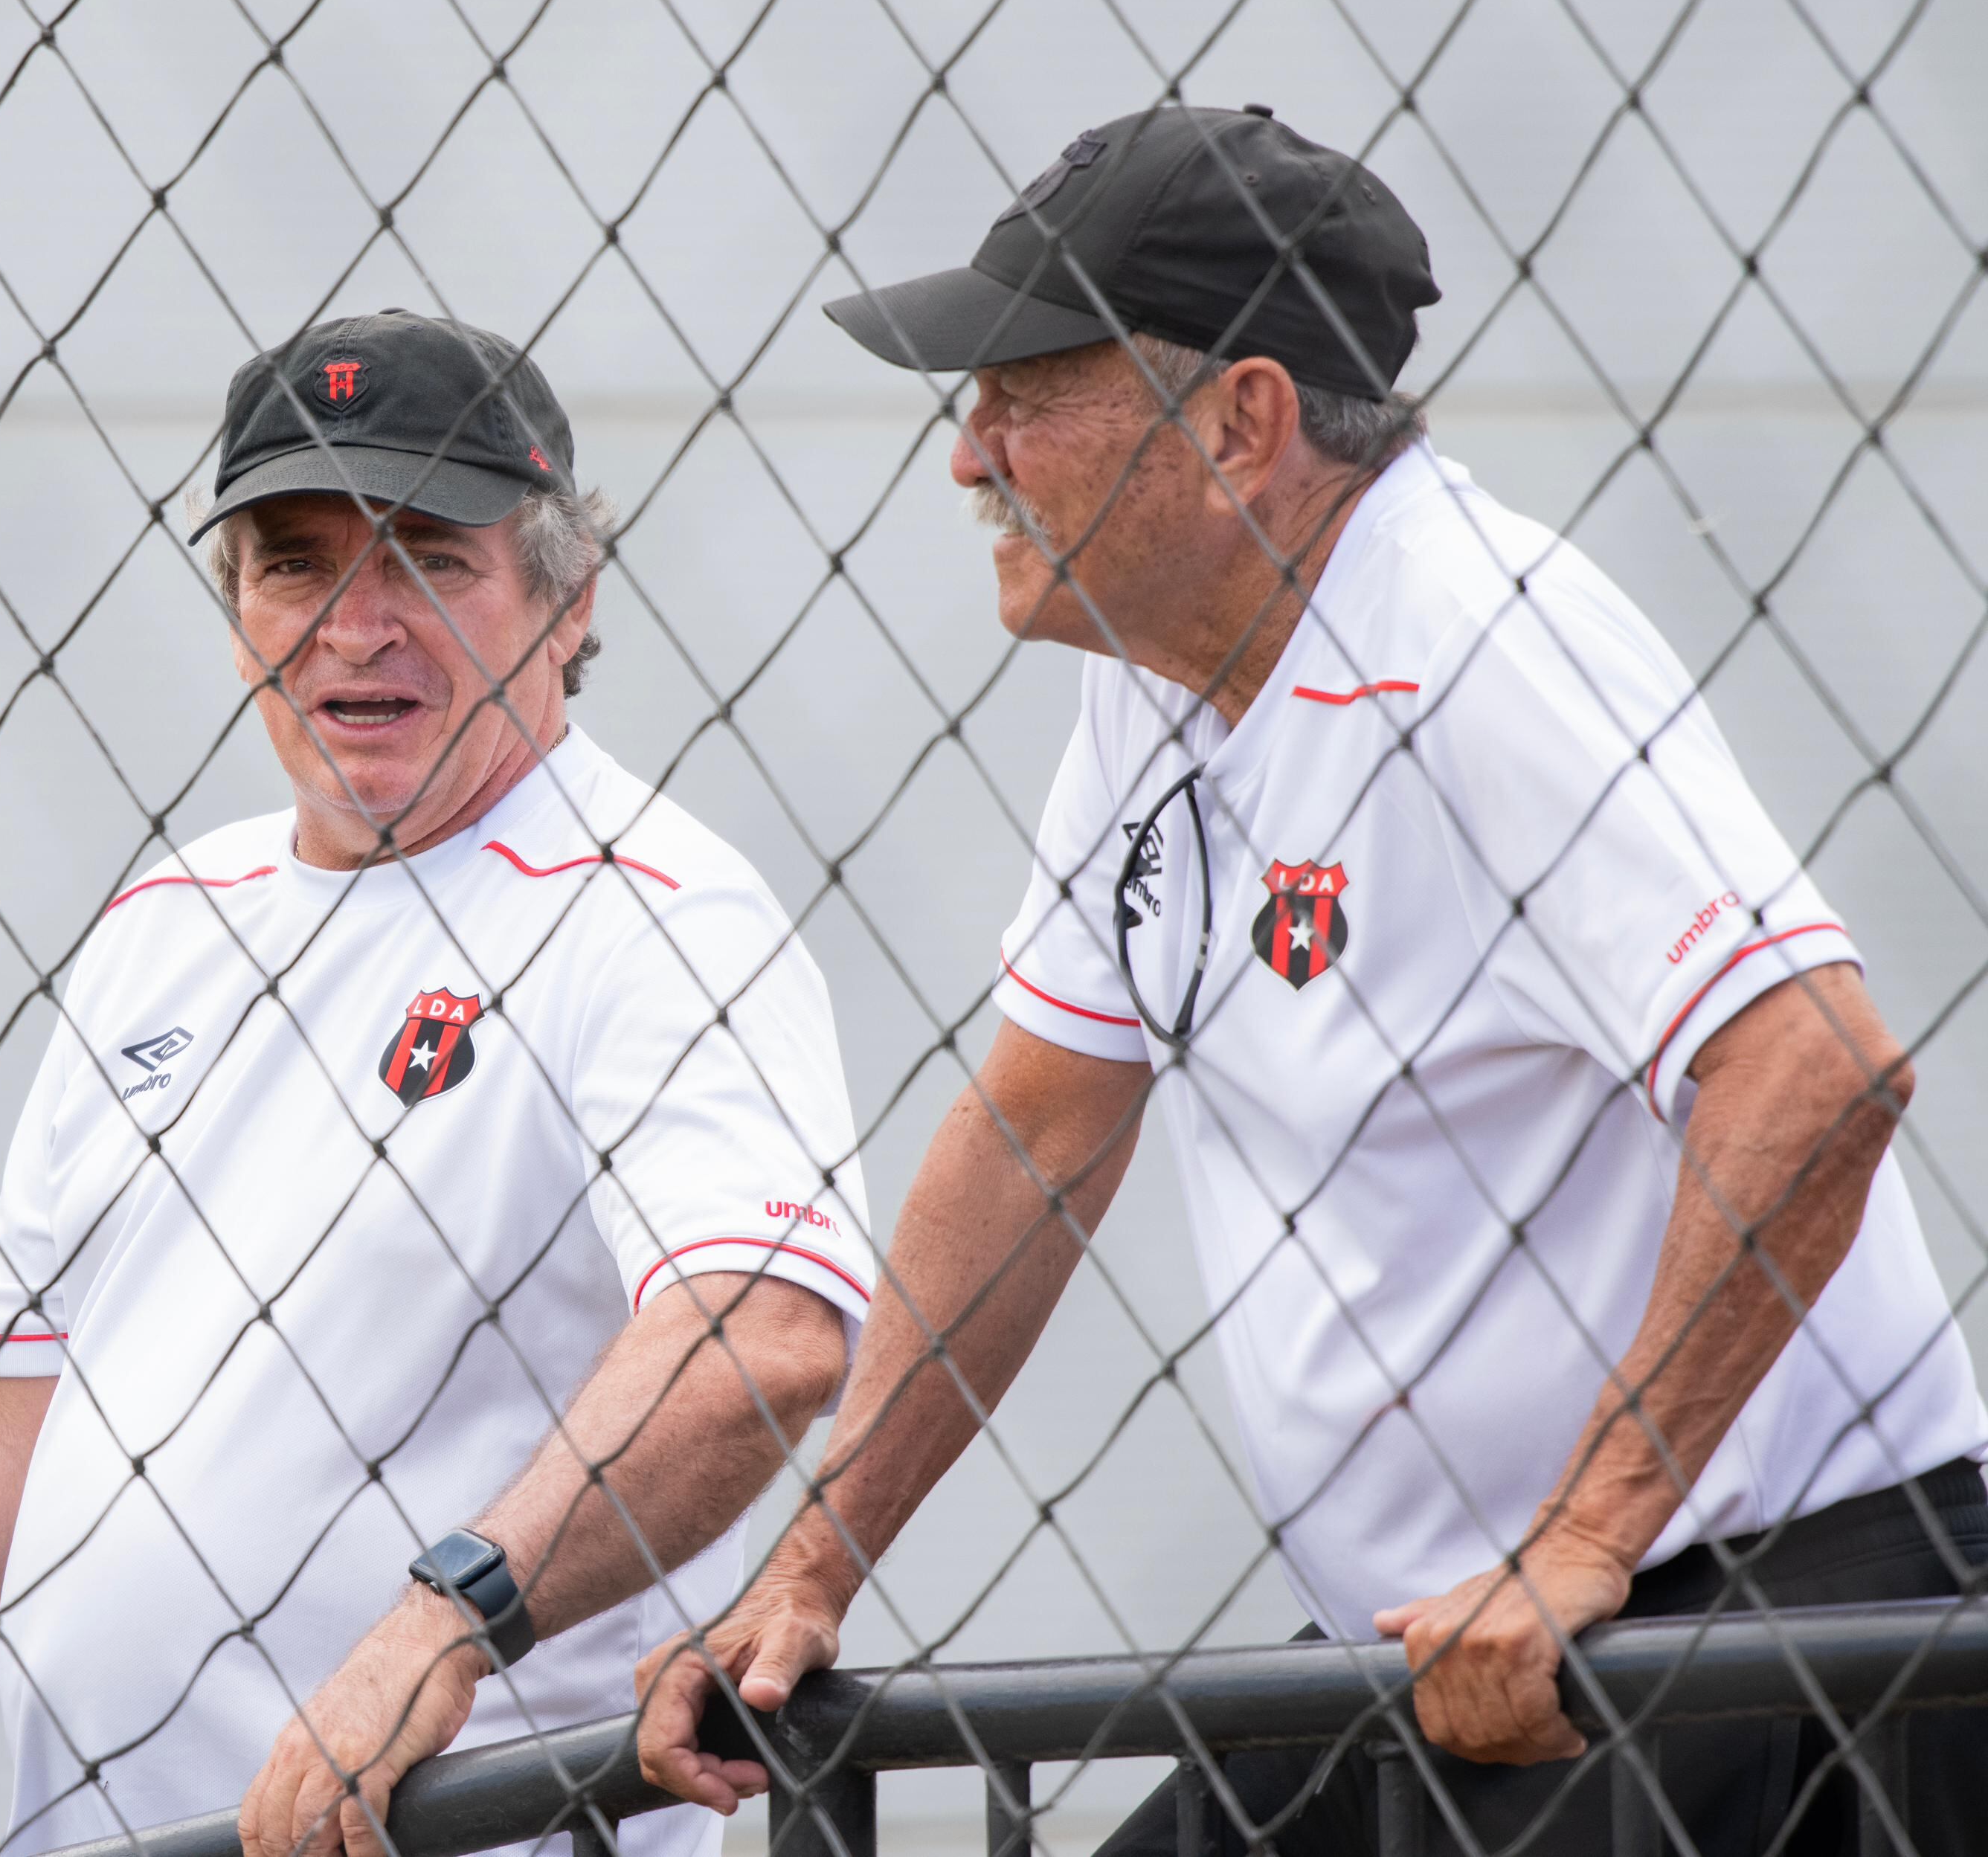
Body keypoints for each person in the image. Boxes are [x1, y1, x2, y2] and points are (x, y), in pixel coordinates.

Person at [633, 105, 1988, 1854]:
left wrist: (1581, 1538)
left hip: (1754, 1638)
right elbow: (1037, 1129)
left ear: (1242, 422)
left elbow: (1819, 1069)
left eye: (1025, 390)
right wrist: (811, 1568)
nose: (969, 455)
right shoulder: (1154, 680)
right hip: (1460, 1653)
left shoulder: (1475, 634)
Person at [0, 310, 869, 1857]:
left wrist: (443, 1625)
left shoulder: (649, 907)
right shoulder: (172, 918)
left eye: (429, 555)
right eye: (294, 560)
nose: (351, 624)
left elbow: (757, 1336)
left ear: (566, 602)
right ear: (234, 602)